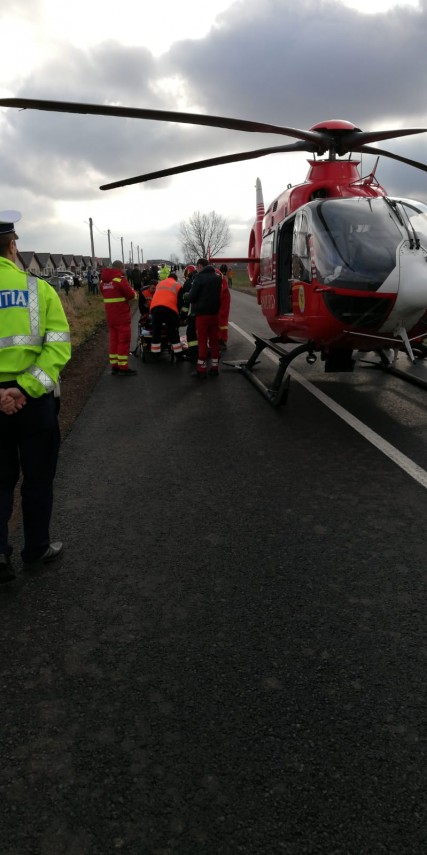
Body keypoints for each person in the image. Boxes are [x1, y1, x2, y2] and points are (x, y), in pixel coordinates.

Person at [0, 210, 71, 583]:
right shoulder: (39, 290)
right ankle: (36, 549)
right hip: (34, 401)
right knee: (37, 478)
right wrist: (24, 388)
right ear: (12, 247)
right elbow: (58, 348)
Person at [100, 260, 137, 375]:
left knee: (113, 341)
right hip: (121, 315)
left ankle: (114, 366)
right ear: (120, 268)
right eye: (123, 268)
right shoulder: (120, 280)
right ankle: (123, 367)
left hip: (111, 316)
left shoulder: (103, 282)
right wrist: (134, 293)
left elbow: (106, 295)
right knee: (123, 341)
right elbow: (131, 295)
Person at [186, 258, 222, 378]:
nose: (196, 270)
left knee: (202, 341)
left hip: (202, 315)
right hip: (214, 314)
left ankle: (201, 370)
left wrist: (186, 295)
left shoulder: (199, 278)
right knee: (214, 341)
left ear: (200, 266)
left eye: (197, 267)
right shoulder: (217, 277)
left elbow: (192, 296)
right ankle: (215, 368)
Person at [149, 272, 184, 360]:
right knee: (173, 331)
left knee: (156, 331)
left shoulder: (160, 283)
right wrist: (177, 315)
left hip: (155, 308)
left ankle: (155, 354)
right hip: (169, 309)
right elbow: (180, 303)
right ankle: (178, 354)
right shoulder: (177, 285)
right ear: (175, 279)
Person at [181, 264, 198, 363]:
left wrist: (183, 317)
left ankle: (194, 355)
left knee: (191, 334)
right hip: (209, 311)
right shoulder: (200, 278)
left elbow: (186, 304)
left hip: (196, 313)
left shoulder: (188, 283)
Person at [218, 264, 231, 348]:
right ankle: (222, 339)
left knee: (221, 318)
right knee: (223, 318)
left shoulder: (218, 275)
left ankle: (221, 339)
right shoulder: (222, 276)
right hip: (224, 295)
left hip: (223, 295)